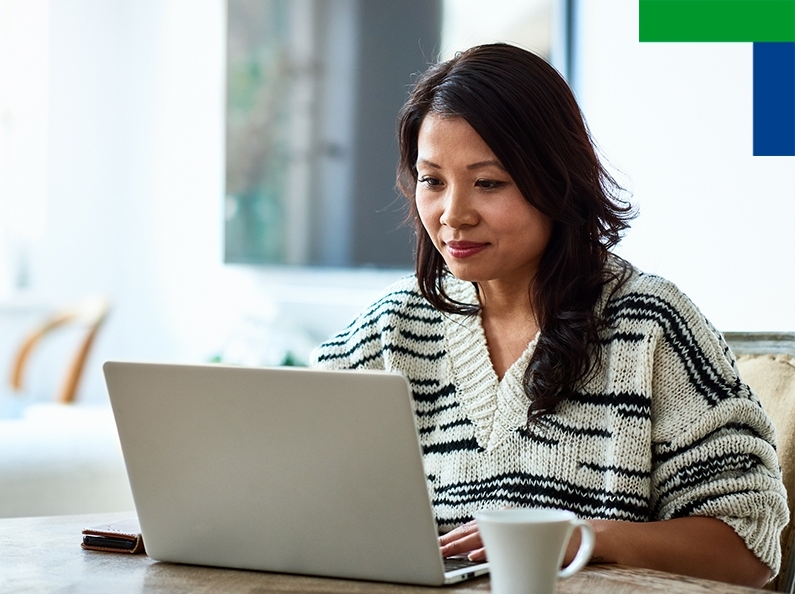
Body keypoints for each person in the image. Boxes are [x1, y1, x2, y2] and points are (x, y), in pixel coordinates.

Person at [310, 43, 787, 588]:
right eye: (432, 180)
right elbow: (296, 496)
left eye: (488, 183)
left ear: (555, 180)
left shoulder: (651, 325)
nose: (453, 214)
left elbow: (747, 548)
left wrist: (581, 538)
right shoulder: (387, 331)